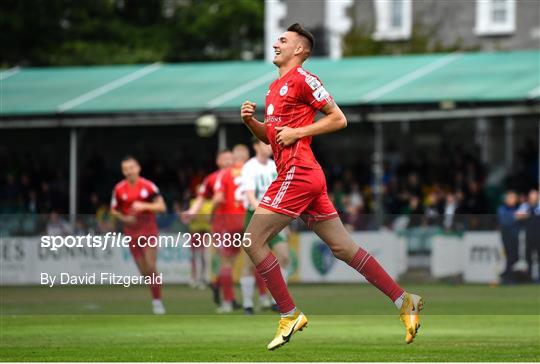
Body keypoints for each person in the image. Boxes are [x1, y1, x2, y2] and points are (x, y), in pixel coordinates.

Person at [239, 23, 423, 350]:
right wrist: (252, 123)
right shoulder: (274, 87)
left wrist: (298, 133)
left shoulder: (305, 79)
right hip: (304, 175)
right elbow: (272, 137)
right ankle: (404, 300)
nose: (275, 44)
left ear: (300, 50)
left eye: (283, 40)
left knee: (252, 241)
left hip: (297, 172)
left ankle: (289, 313)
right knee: (343, 249)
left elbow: (339, 119)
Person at [110, 156, 167, 314]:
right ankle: (155, 292)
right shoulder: (119, 189)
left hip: (149, 231)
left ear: (138, 168)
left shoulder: (148, 186)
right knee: (144, 272)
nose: (129, 171)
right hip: (131, 233)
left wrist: (144, 205)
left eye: (131, 168)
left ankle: (157, 302)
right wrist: (125, 218)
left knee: (150, 265)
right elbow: (113, 210)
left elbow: (162, 207)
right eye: (125, 169)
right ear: (123, 171)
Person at [240, 137, 290, 314]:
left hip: (274, 215)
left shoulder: (275, 165)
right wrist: (262, 213)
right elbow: (251, 196)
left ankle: (276, 300)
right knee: (250, 262)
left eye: (270, 143)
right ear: (255, 146)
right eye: (265, 143)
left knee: (284, 256)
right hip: (254, 215)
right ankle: (247, 303)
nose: (269, 146)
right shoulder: (249, 167)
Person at [182, 150, 233, 303]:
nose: (228, 161)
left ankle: (218, 285)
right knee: (225, 258)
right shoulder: (211, 179)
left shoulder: (241, 175)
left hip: (241, 222)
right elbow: (201, 198)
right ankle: (228, 300)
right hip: (220, 225)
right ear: (218, 161)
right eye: (225, 158)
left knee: (243, 260)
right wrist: (192, 211)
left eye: (231, 158)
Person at [212, 144, 250, 313]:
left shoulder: (225, 174)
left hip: (231, 223)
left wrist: (211, 214)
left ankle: (227, 302)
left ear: (234, 158)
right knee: (257, 259)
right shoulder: (252, 170)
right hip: (250, 220)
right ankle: (263, 299)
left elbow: (218, 198)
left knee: (226, 262)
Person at [515, 189, 540, 281]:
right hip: (529, 236)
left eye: (535, 196)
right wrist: (527, 215)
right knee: (528, 257)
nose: (534, 198)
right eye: (532, 196)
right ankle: (529, 277)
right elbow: (517, 216)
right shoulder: (525, 206)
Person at [497, 190, 520, 283]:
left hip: (515, 236)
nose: (513, 199)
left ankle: (505, 274)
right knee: (510, 256)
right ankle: (508, 277)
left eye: (514, 197)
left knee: (515, 256)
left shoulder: (518, 209)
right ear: (506, 199)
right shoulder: (502, 209)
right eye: (511, 197)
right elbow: (505, 220)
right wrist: (516, 217)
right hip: (506, 235)